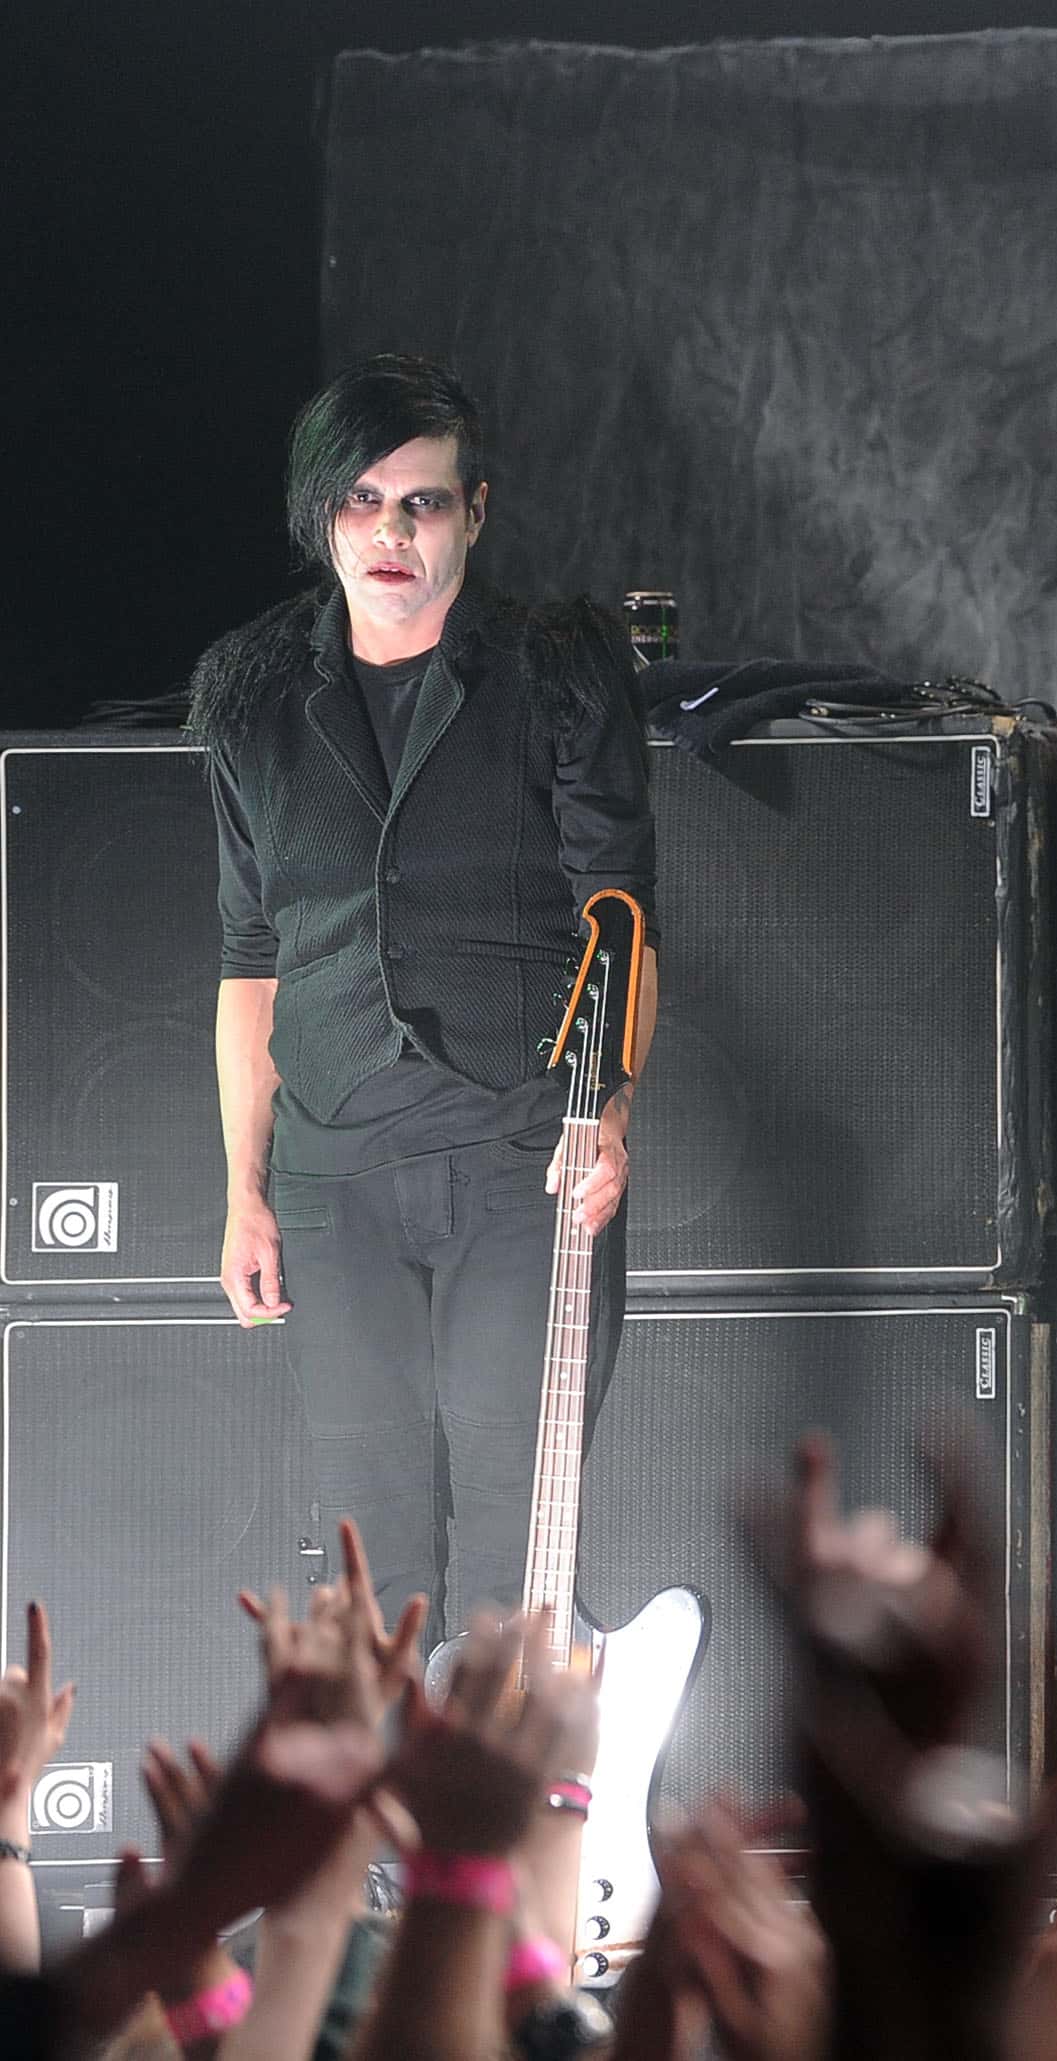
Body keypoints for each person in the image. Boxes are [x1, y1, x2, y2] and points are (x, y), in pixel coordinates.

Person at [189, 353, 658, 1633]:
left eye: (423, 503)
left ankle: (514, 1830)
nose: (390, 532)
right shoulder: (253, 700)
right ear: (319, 514)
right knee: (367, 1544)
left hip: (523, 1146)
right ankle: (398, 1835)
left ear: (475, 513)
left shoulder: (553, 672)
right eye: (361, 500)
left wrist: (604, 1112)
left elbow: (620, 912)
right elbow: (250, 957)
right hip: (335, 1170)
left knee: (522, 1537)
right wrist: (244, 1188)